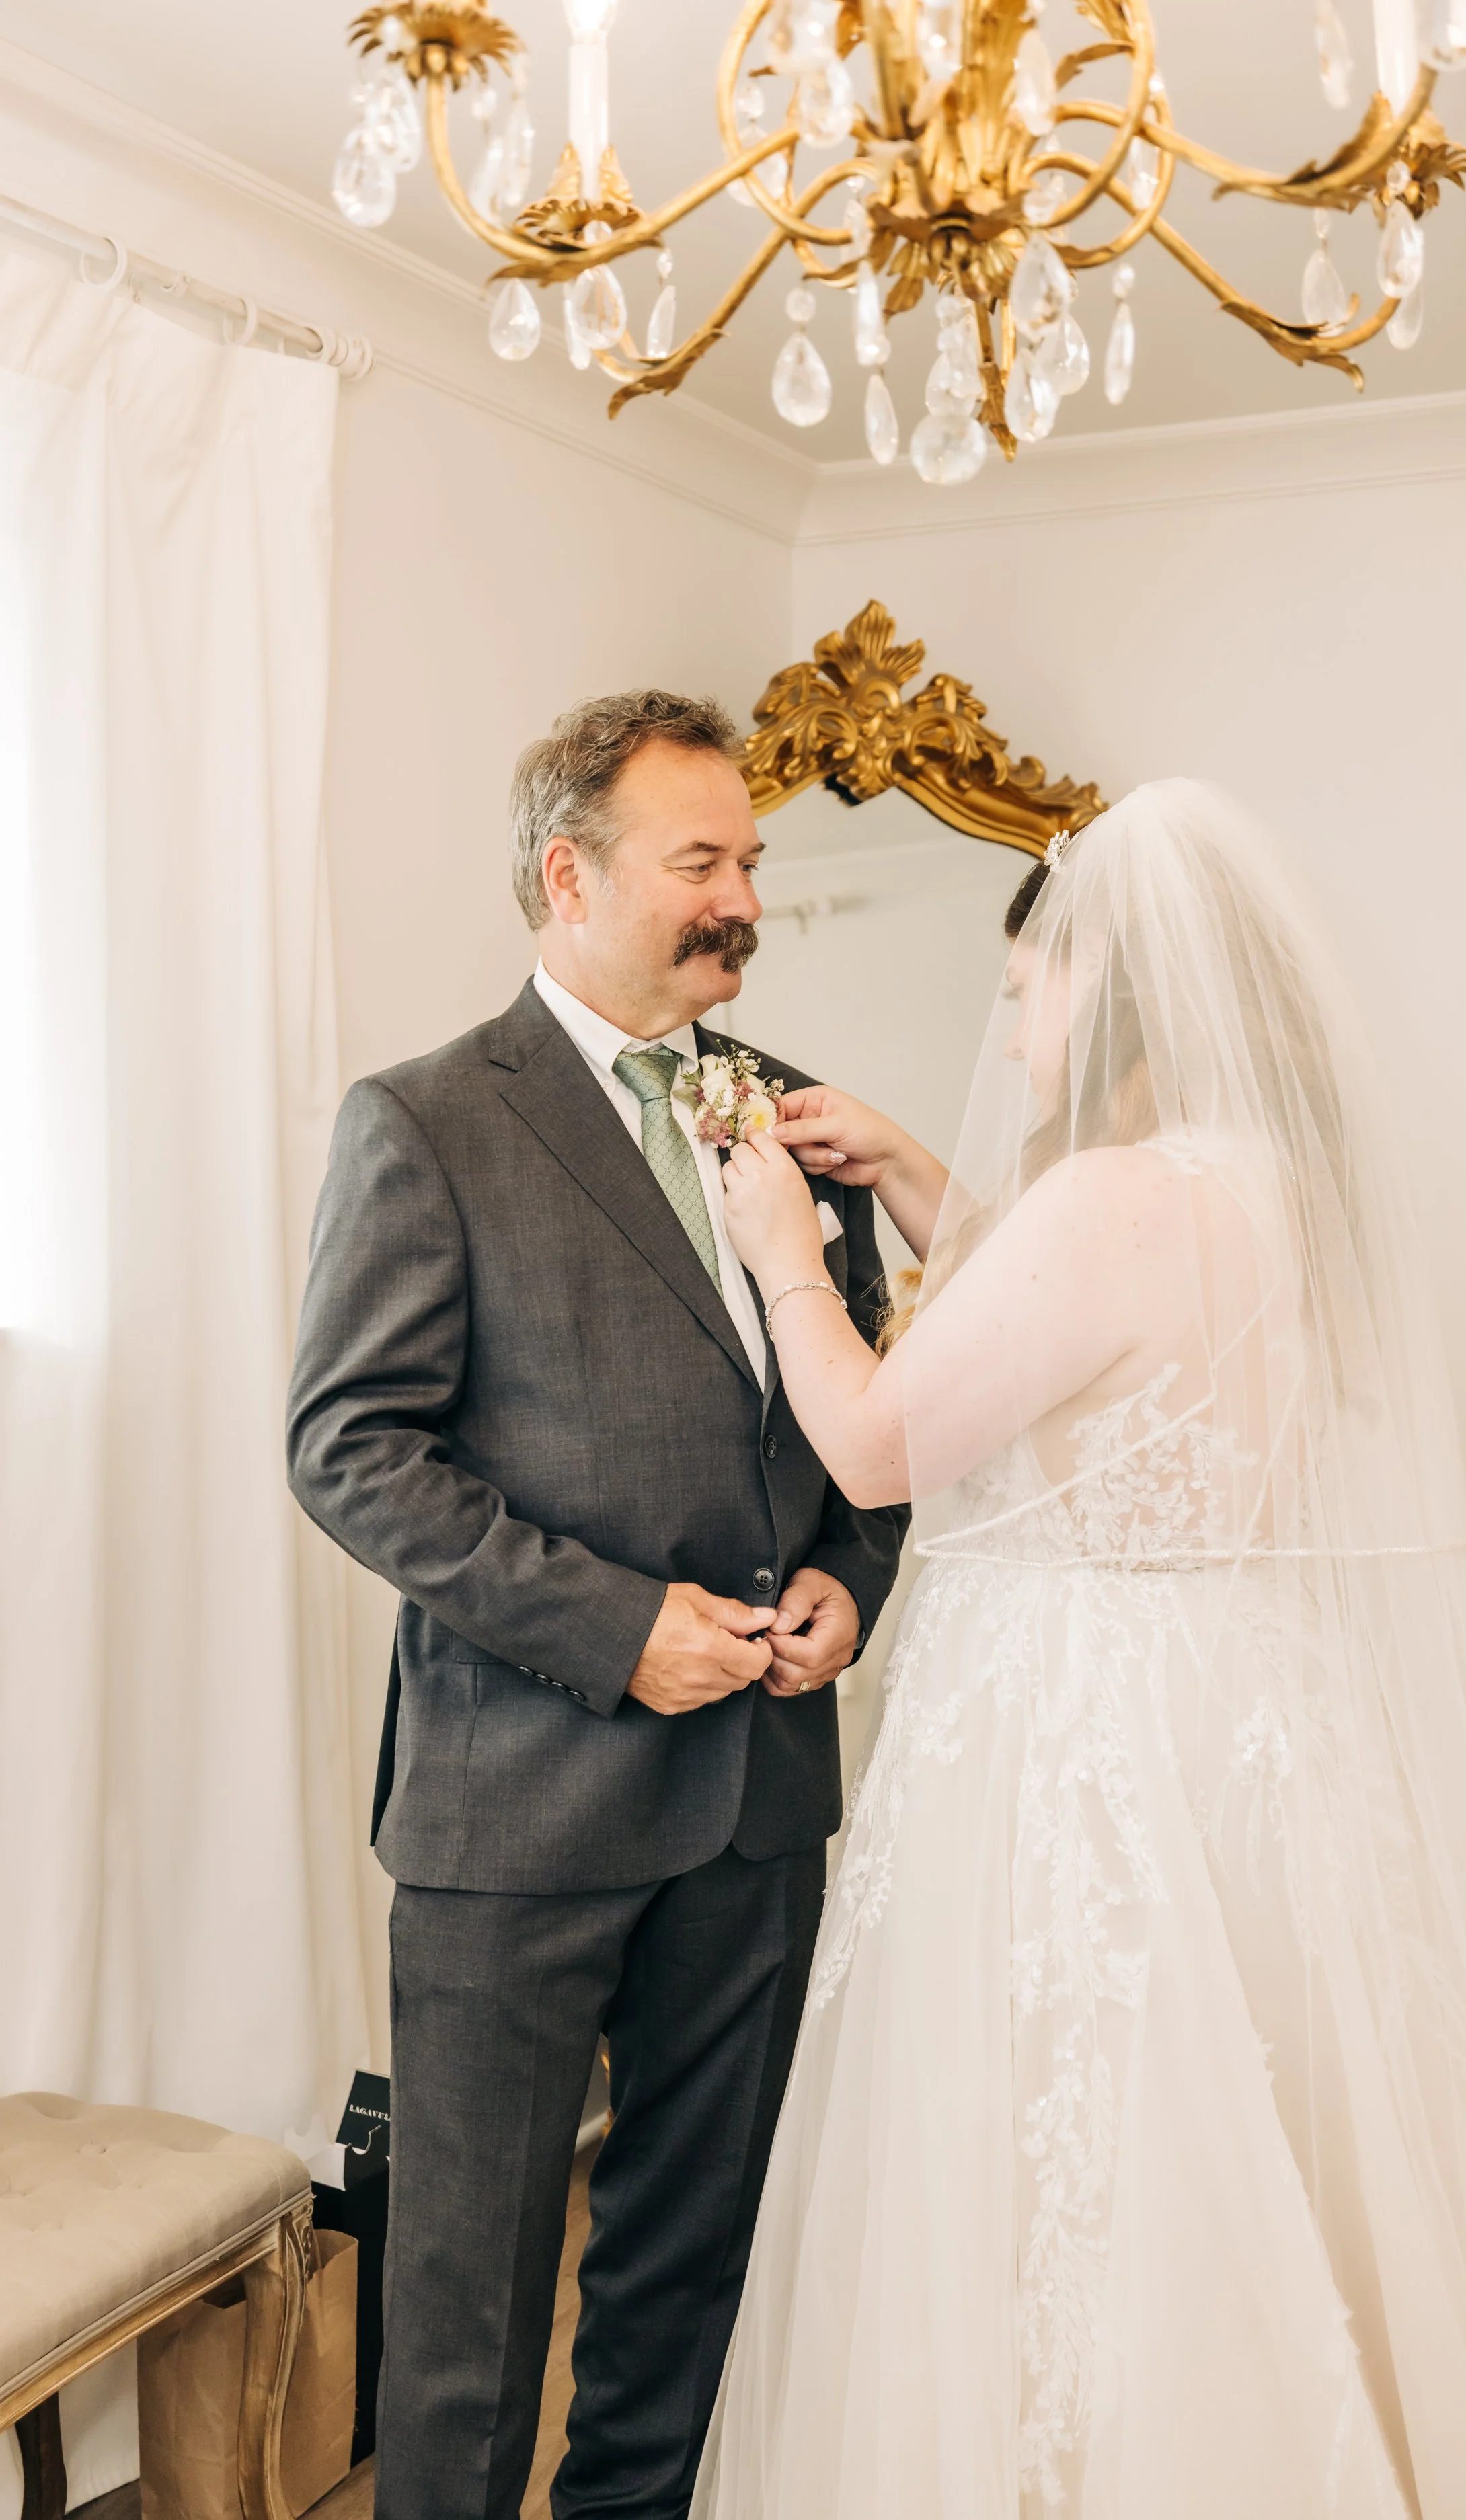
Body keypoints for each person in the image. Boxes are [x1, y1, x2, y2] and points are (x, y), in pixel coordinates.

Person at [702, 780, 1466, 2519]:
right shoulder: (1279, 1187)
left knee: (1098, 2152)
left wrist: (786, 1256)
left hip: (1089, 1735)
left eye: (1025, 989)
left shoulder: (1105, 1200)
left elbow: (874, 1445)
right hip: (1248, 1709)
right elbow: (1077, 1346)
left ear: (1108, 984)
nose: (1007, 1032)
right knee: (1277, 2137)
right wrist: (926, 1180)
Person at [286, 691, 907, 2520]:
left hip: (756, 1801)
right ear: (566, 874)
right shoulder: (422, 1120)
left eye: (749, 862)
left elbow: (857, 1405)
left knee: (689, 2258)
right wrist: (615, 1625)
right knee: (468, 2296)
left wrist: (844, 1584)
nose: (739, 900)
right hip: (516, 1799)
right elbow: (350, 1448)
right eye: (696, 862)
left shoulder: (790, 1111)